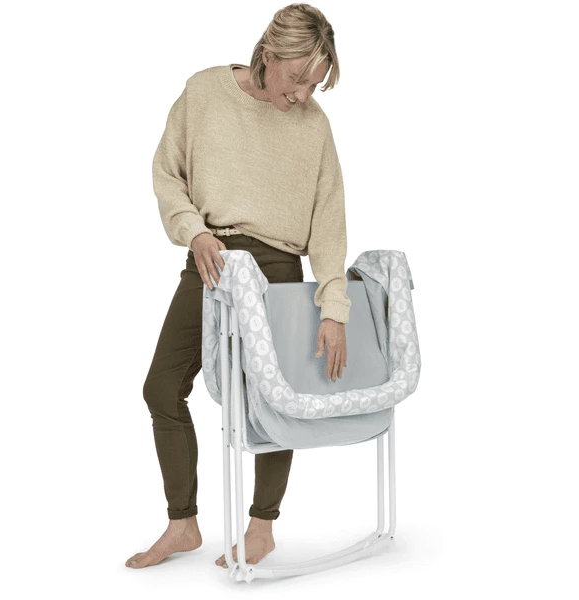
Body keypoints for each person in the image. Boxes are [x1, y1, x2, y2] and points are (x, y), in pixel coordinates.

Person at [126, 3, 351, 570]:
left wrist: (334, 307)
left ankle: (262, 528)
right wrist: (194, 232)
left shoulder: (314, 125)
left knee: (274, 401)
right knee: (162, 388)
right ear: (269, 53)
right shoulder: (204, 93)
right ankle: (182, 524)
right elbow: (167, 173)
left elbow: (329, 222)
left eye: (315, 84)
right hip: (211, 261)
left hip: (278, 271)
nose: (303, 94)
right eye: (297, 78)